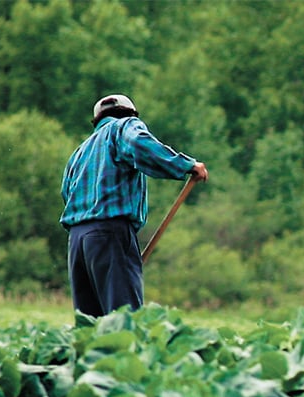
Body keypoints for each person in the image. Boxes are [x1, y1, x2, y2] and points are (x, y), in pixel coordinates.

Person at [60, 94, 209, 319]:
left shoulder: (79, 153)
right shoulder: (123, 127)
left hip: (77, 242)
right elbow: (140, 144)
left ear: (97, 120)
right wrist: (187, 165)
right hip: (109, 232)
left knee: (90, 324)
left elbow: (66, 193)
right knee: (123, 319)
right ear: (131, 114)